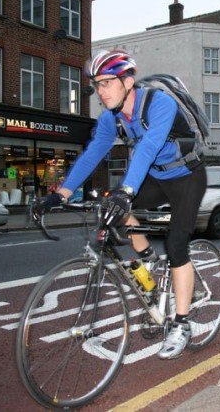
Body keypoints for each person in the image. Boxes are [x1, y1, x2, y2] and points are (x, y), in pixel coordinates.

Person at [36, 49, 207, 360]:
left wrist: (126, 188)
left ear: (128, 80)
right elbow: (92, 155)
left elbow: (150, 145)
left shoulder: (159, 103)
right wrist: (60, 194)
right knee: (113, 213)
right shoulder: (109, 120)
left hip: (186, 177)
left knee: (178, 244)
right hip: (154, 179)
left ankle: (182, 324)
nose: (101, 92)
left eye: (107, 83)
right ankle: (149, 264)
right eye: (96, 86)